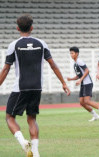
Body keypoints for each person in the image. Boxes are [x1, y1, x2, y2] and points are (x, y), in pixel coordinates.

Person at [0, 14, 70, 157]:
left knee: (9, 117)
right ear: (32, 28)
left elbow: (6, 69)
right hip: (37, 87)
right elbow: (53, 65)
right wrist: (63, 83)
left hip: (20, 87)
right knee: (32, 118)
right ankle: (36, 152)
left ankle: (22, 142)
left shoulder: (13, 45)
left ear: (17, 28)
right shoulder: (42, 44)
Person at [67, 46, 99, 122]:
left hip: (87, 83)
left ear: (77, 53)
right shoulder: (75, 64)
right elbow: (79, 75)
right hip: (83, 84)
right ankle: (95, 115)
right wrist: (71, 79)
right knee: (82, 102)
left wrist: (80, 80)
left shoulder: (79, 61)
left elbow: (87, 71)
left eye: (72, 53)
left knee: (87, 101)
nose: (71, 55)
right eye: (70, 53)